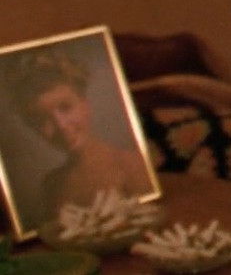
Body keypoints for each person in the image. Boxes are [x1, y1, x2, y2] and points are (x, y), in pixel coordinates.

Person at [5, 49, 153, 217]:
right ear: (33, 129)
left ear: (84, 104)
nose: (61, 125)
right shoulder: (52, 186)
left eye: (65, 108)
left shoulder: (132, 166)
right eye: (42, 120)